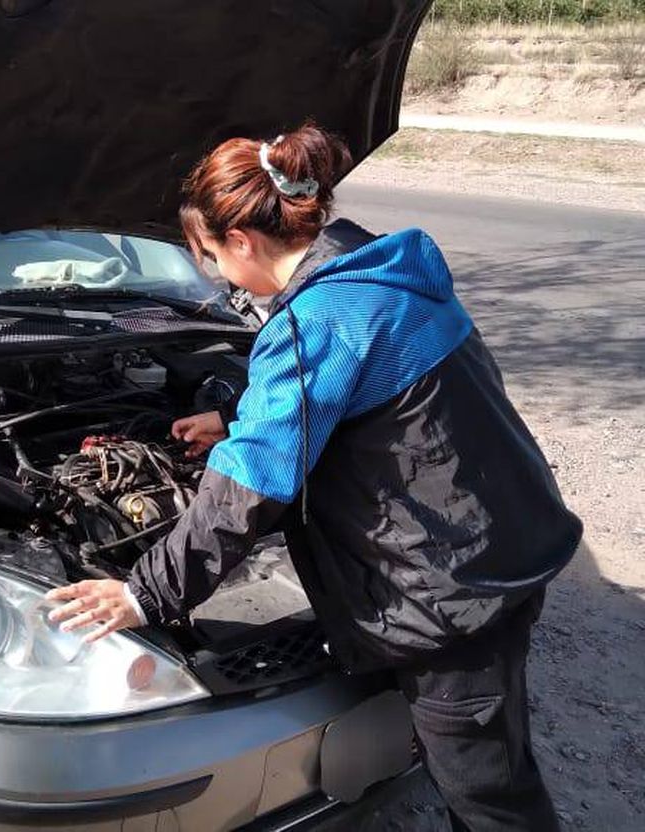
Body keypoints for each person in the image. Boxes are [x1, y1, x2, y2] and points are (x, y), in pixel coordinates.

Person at [45, 123, 582, 832]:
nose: (218, 280)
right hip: (503, 544)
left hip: (453, 595)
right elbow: (365, 395)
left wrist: (146, 593)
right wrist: (237, 414)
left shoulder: (315, 321)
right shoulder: (378, 274)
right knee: (494, 751)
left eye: (210, 259)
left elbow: (249, 490)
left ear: (242, 241)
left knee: (488, 798)